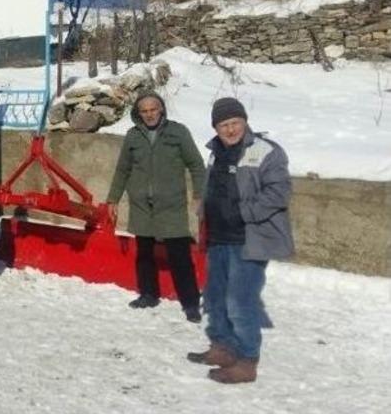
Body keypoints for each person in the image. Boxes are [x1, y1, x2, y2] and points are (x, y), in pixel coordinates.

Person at [188, 97, 294, 384]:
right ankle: (223, 347)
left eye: (235, 123)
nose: (230, 129)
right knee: (215, 298)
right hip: (218, 237)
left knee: (240, 301)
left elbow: (278, 193)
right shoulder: (215, 152)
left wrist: (242, 212)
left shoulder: (266, 152)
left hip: (248, 239)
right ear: (216, 127)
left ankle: (247, 360)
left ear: (245, 122)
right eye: (224, 125)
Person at [106, 92, 205, 323]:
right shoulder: (133, 137)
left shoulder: (178, 133)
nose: (150, 114)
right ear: (138, 113)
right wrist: (113, 199)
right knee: (144, 253)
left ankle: (190, 302)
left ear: (161, 110)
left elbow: (197, 165)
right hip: (142, 205)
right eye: (145, 110)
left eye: (154, 109)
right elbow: (123, 170)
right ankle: (148, 294)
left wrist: (200, 194)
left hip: (171, 205)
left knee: (179, 255)